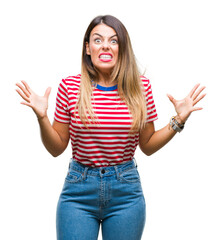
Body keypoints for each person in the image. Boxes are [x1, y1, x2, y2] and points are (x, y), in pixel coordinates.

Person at [16, 15, 206, 240]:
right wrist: (42, 117)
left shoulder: (140, 87)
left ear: (121, 49)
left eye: (113, 41)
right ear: (88, 48)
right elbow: (56, 148)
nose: (105, 45)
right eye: (98, 40)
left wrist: (178, 120)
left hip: (125, 192)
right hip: (78, 192)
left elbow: (147, 145)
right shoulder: (70, 86)